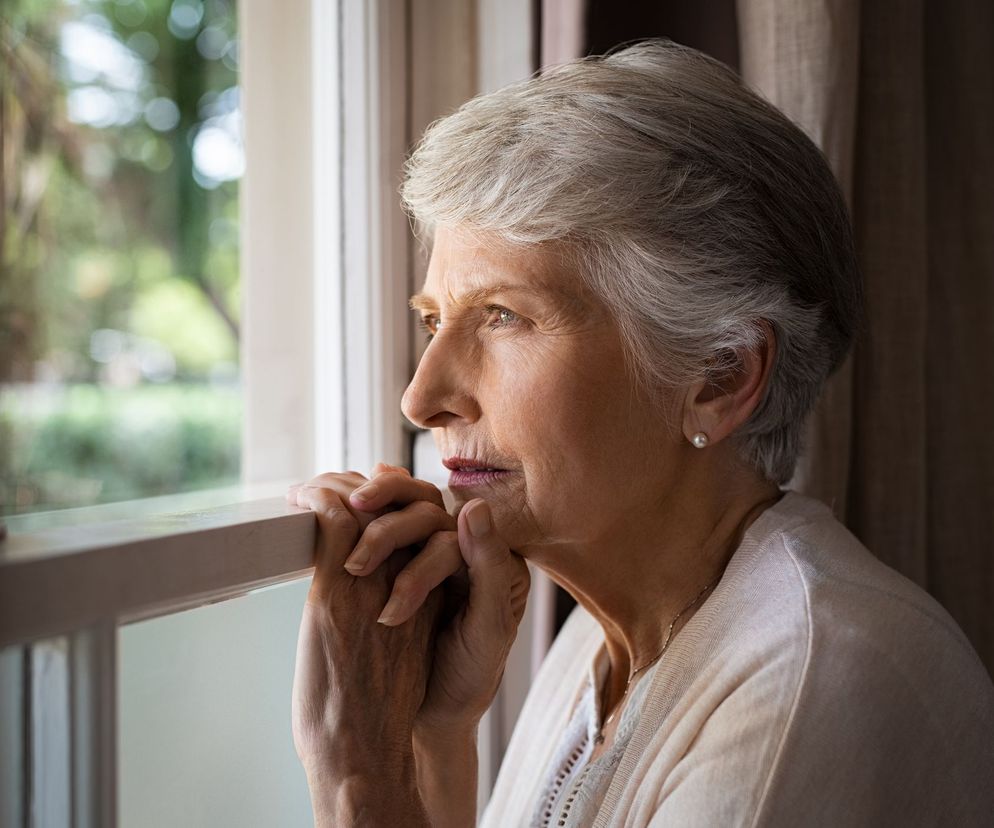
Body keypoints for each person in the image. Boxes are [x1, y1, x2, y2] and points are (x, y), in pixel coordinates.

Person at [286, 40, 994, 827]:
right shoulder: (598, 642)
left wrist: (359, 776)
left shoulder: (813, 680)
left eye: (504, 317)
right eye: (433, 321)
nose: (423, 398)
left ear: (720, 377)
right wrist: (433, 736)